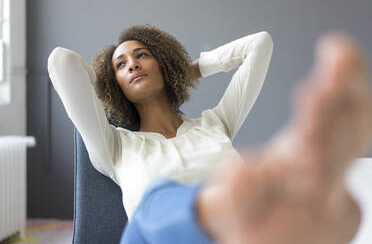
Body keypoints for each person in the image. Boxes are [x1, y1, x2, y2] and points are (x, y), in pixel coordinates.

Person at [47, 24, 371, 243]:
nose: (132, 65)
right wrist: (105, 83)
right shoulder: (115, 146)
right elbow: (61, 62)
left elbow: (260, 44)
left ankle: (281, 194)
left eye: (142, 55)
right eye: (120, 65)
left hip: (241, 234)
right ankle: (242, 198)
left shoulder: (216, 124)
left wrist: (191, 69)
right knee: (153, 203)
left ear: (164, 65)